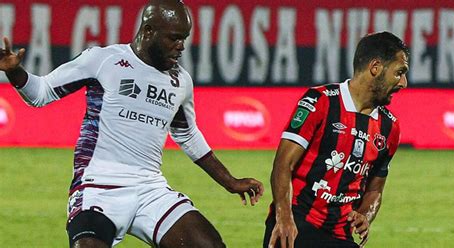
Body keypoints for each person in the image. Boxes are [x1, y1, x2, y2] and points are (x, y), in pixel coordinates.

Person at [0, 0, 264, 247]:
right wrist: (14, 71)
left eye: (184, 39)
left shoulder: (180, 81)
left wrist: (230, 181)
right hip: (97, 186)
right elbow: (41, 93)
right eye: (174, 38)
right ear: (148, 31)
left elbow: (187, 135)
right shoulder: (103, 60)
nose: (181, 46)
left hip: (150, 188)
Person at [263, 31, 409, 248]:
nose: (404, 83)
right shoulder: (319, 102)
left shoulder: (390, 127)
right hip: (296, 226)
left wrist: (364, 215)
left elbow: (375, 189)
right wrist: (283, 218)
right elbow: (283, 164)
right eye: (399, 73)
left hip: (340, 235)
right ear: (375, 67)